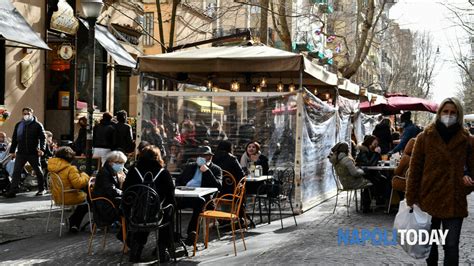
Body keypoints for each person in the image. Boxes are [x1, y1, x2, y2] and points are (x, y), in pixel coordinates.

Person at [406, 97, 474, 265]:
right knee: (431, 246)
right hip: (428, 200)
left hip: (454, 201)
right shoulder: (424, 137)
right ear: (439, 113)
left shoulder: (467, 140)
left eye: (453, 112)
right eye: (445, 111)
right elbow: (415, 170)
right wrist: (411, 199)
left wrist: (468, 182)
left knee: (451, 246)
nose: (448, 115)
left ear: (458, 115)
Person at [122, 146, 175, 263]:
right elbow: (171, 196)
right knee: (168, 212)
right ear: (158, 157)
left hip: (134, 216)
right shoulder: (163, 173)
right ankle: (162, 249)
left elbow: (125, 191)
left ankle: (136, 250)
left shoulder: (133, 171)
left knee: (143, 214)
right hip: (156, 216)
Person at [175, 146, 222, 245]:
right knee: (170, 204)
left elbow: (218, 186)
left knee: (200, 203)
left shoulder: (215, 169)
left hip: (204, 199)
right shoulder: (191, 166)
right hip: (186, 195)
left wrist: (207, 171)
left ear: (210, 156)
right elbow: (179, 179)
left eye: (204, 155)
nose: (201, 158)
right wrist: (181, 187)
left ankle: (192, 233)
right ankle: (171, 235)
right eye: (200, 156)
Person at [4, 107, 46, 198]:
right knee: (16, 171)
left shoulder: (37, 125)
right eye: (24, 113)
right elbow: (15, 138)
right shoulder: (19, 125)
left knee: (38, 171)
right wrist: (12, 151)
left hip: (33, 152)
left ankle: (42, 189)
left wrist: (42, 149)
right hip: (21, 152)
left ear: (32, 113)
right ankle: (13, 191)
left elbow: (43, 138)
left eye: (28, 113)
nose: (26, 115)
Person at [48, 147, 90, 232]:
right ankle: (74, 222)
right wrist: (85, 175)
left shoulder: (52, 167)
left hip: (57, 197)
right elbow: (78, 184)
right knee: (89, 201)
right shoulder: (70, 168)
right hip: (69, 196)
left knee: (85, 200)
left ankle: (74, 222)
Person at [356, 135, 391, 212]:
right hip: (365, 175)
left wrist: (376, 154)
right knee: (380, 181)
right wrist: (376, 153)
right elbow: (369, 164)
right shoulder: (363, 151)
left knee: (386, 180)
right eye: (374, 144)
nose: (376, 146)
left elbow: (375, 163)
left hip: (371, 174)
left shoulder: (370, 151)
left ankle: (382, 203)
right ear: (369, 143)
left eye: (376, 144)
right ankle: (368, 205)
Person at [92, 151, 127, 225]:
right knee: (127, 207)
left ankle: (126, 230)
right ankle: (125, 231)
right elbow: (110, 189)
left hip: (110, 200)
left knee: (129, 205)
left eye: (122, 163)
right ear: (110, 162)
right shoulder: (104, 172)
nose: (121, 165)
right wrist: (124, 193)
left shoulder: (114, 171)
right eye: (118, 162)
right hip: (104, 204)